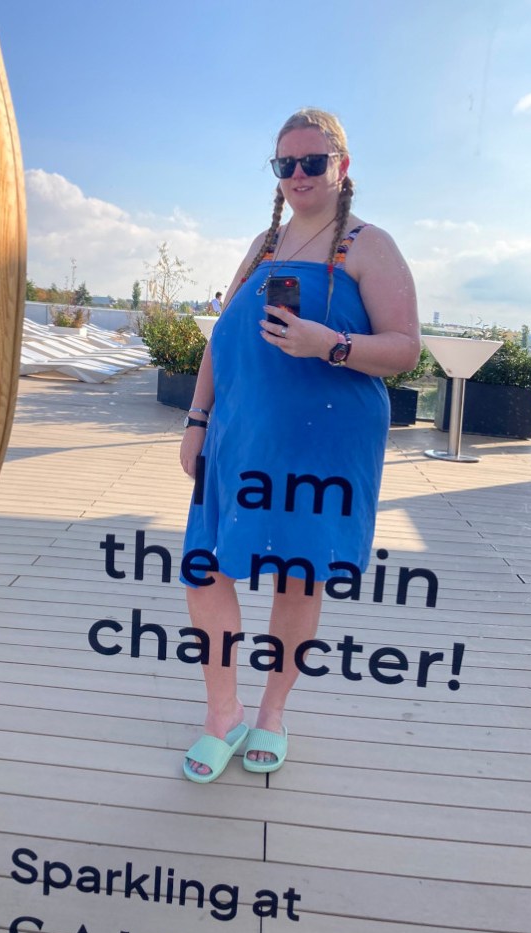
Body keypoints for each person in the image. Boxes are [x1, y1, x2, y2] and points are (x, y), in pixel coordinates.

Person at [179, 108, 420, 783]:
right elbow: (221, 339)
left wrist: (329, 344)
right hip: (238, 439)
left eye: (313, 161)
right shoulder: (263, 245)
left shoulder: (371, 246)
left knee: (296, 576)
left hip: (323, 449)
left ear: (342, 168)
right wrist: (197, 421)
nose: (298, 175)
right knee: (206, 569)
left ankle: (272, 712)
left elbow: (405, 348)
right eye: (285, 164)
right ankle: (221, 713)